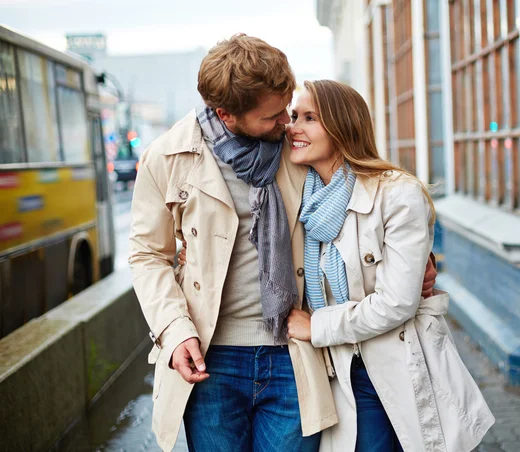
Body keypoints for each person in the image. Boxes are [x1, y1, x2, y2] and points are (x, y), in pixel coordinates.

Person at [129, 34, 437, 452]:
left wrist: (419, 259)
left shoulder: (297, 153)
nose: (286, 125)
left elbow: (359, 204)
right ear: (226, 114)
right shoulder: (166, 158)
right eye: (274, 116)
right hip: (210, 360)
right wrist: (174, 330)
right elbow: (148, 254)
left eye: (290, 111)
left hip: (295, 354)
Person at [281, 80, 495, 452]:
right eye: (293, 116)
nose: (293, 127)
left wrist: (316, 325)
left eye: (309, 118)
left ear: (342, 125)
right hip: (336, 370)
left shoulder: (396, 193)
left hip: (394, 364)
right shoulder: (300, 198)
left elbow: (397, 302)